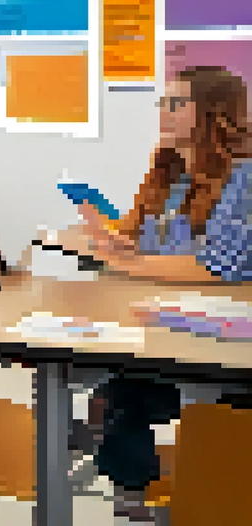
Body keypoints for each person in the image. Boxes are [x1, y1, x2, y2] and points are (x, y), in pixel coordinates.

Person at [73, 66, 252, 522]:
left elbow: (217, 269)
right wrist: (119, 245)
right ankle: (134, 491)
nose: (165, 112)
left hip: (224, 335)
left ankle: (141, 486)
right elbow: (155, 251)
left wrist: (130, 263)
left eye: (177, 103)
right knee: (119, 386)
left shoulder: (244, 178)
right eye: (163, 103)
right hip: (166, 320)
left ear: (212, 114)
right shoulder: (171, 171)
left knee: (125, 393)